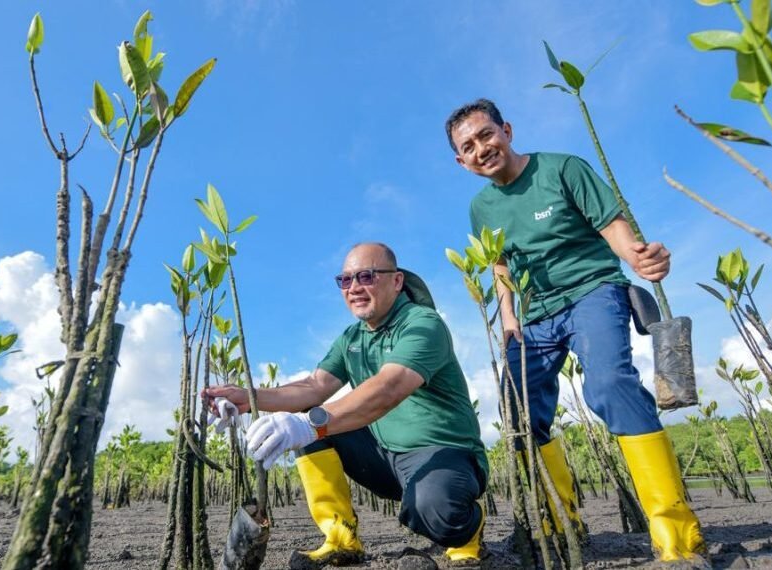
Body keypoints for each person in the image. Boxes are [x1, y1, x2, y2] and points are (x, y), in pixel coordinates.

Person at [445, 98, 706, 562]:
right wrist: (508, 319)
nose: (482, 148)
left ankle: (678, 539)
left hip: (593, 291)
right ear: (461, 161)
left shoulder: (562, 168)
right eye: (469, 146)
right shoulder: (481, 208)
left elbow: (611, 225)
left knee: (610, 386)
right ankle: (563, 523)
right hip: (533, 315)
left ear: (506, 129)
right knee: (520, 413)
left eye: (487, 134)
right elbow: (499, 266)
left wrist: (639, 257)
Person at [203, 242, 489, 567]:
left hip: (444, 453)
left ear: (396, 281)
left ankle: (467, 533)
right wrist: (246, 396)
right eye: (345, 280)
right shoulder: (351, 339)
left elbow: (389, 387)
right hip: (383, 457)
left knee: (435, 511)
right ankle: (341, 538)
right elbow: (313, 387)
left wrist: (310, 424)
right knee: (308, 424)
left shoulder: (423, 324)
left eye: (366, 276)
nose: (354, 288)